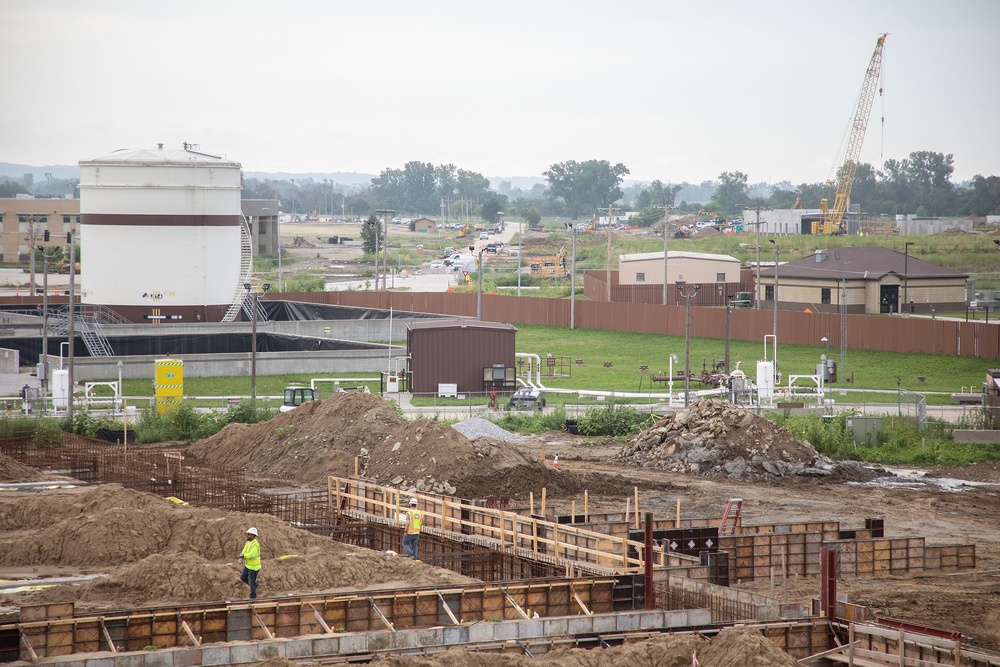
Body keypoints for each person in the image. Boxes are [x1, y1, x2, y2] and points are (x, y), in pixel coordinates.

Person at [239, 527, 262, 599]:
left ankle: (253, 597)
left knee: (251, 581)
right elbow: (244, 550)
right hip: (248, 565)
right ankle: (255, 585)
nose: (247, 535)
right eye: (248, 534)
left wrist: (244, 555)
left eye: (249, 534)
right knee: (243, 577)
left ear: (253, 535)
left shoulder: (255, 544)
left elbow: (251, 555)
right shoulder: (248, 542)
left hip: (254, 567)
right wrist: (241, 556)